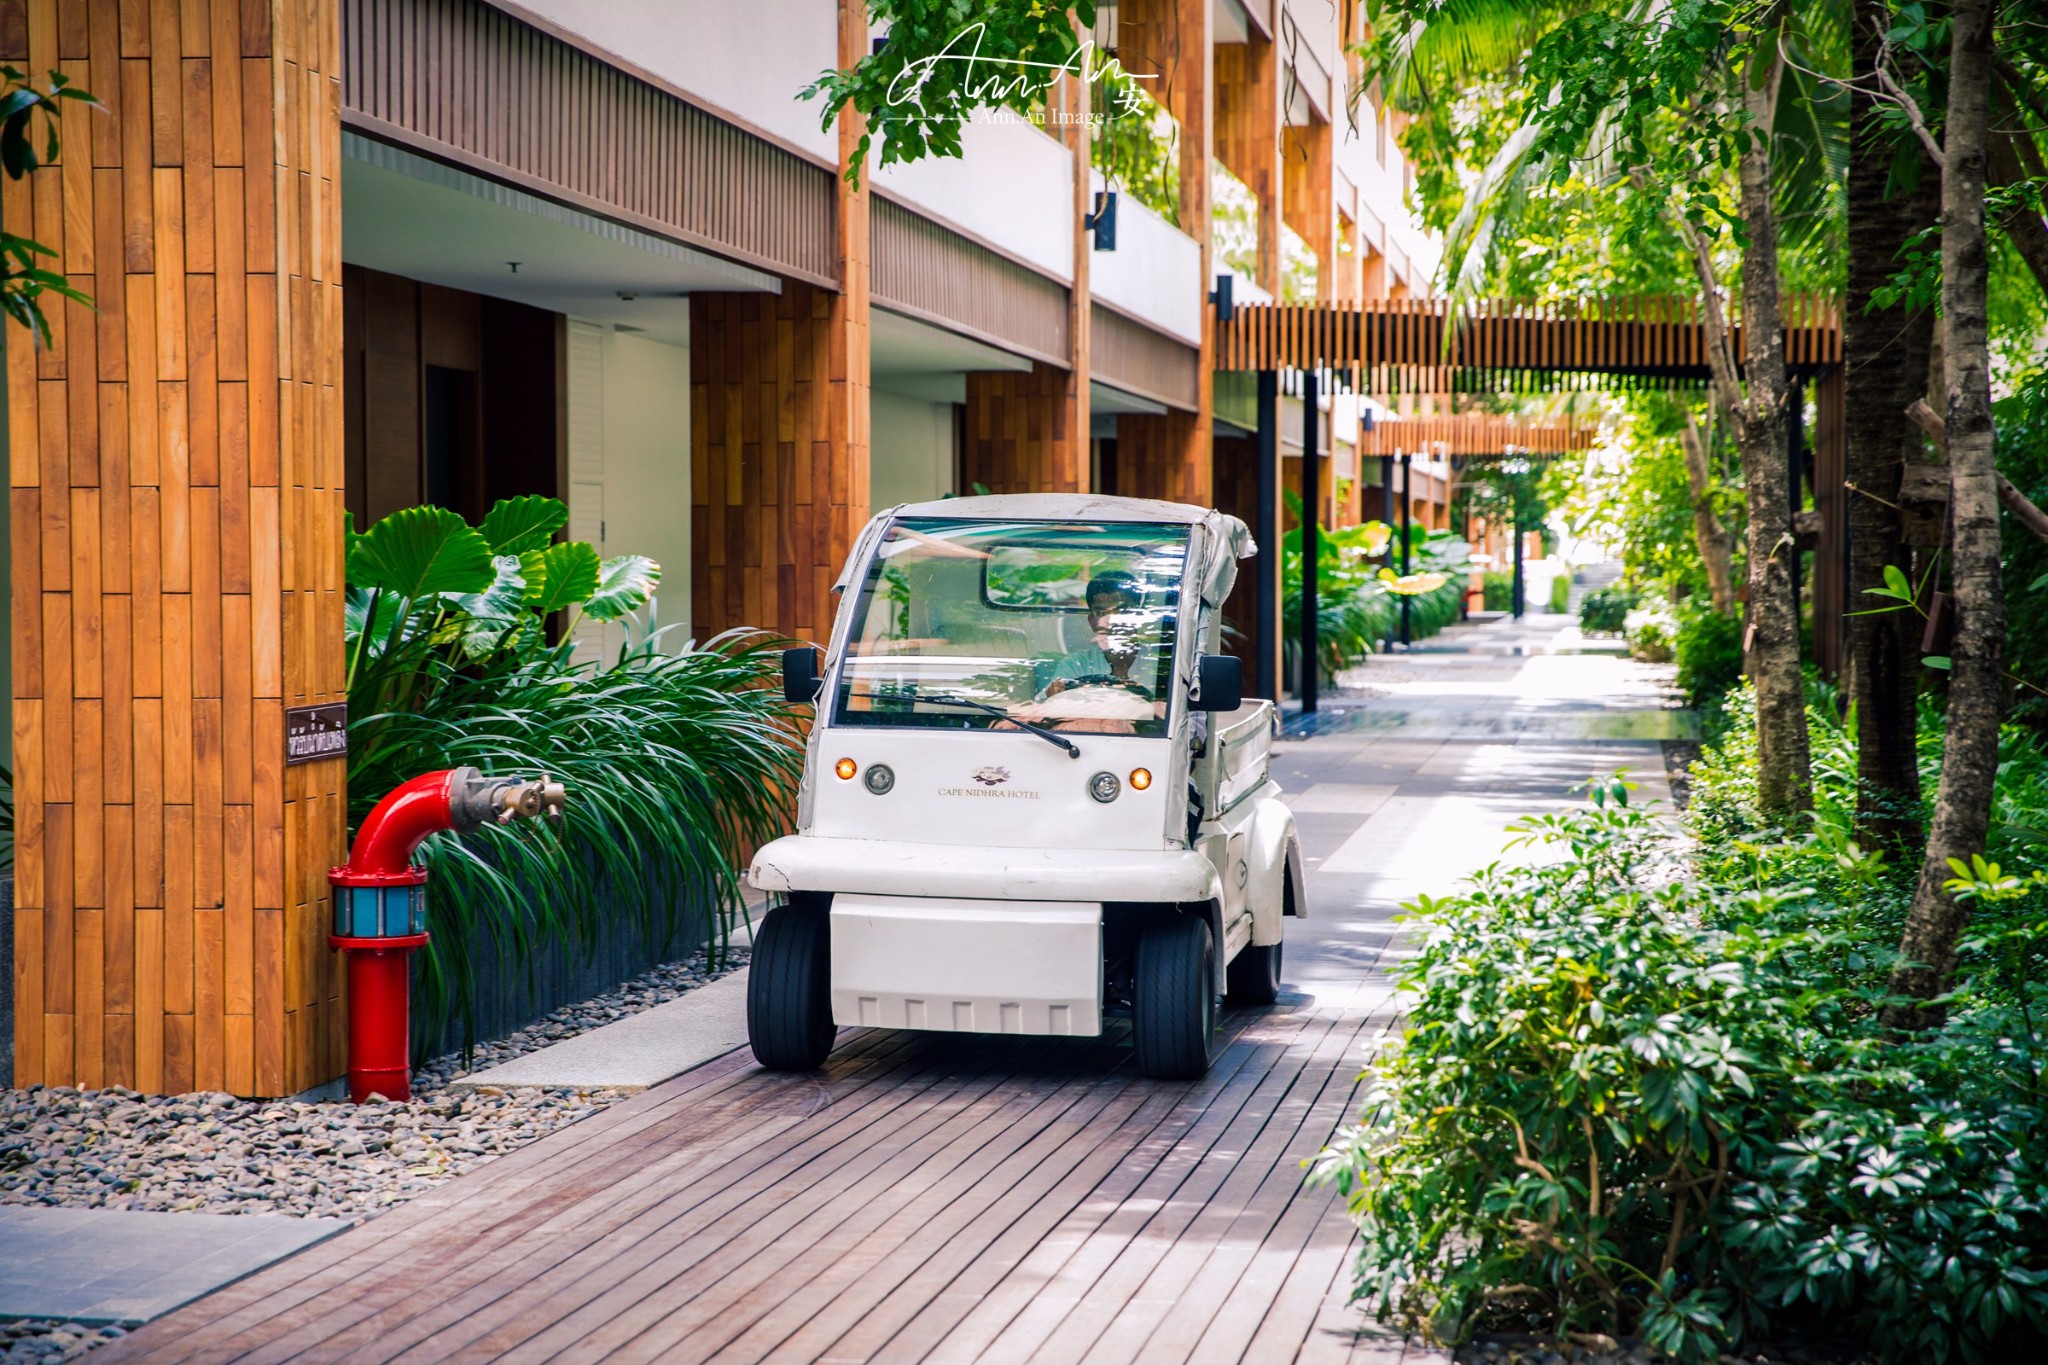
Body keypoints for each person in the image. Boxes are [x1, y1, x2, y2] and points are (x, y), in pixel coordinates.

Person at [1041, 570, 1152, 698]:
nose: (1112, 621)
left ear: (1138, 617)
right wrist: (1054, 693)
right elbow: (1047, 707)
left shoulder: (1157, 664)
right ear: (1092, 622)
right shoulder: (1076, 665)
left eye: (1123, 611)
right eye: (1102, 613)